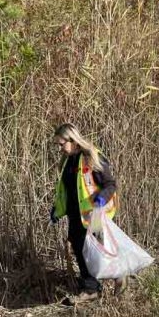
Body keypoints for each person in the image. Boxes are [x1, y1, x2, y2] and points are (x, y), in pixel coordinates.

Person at [50, 123, 126, 301]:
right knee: (79, 247)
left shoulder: (91, 157)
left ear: (73, 140)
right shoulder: (68, 161)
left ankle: (117, 276)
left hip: (94, 214)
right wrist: (57, 210)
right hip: (76, 215)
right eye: (57, 145)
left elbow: (110, 184)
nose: (60, 149)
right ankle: (91, 288)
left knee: (96, 250)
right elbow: (66, 192)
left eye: (62, 144)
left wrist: (101, 199)